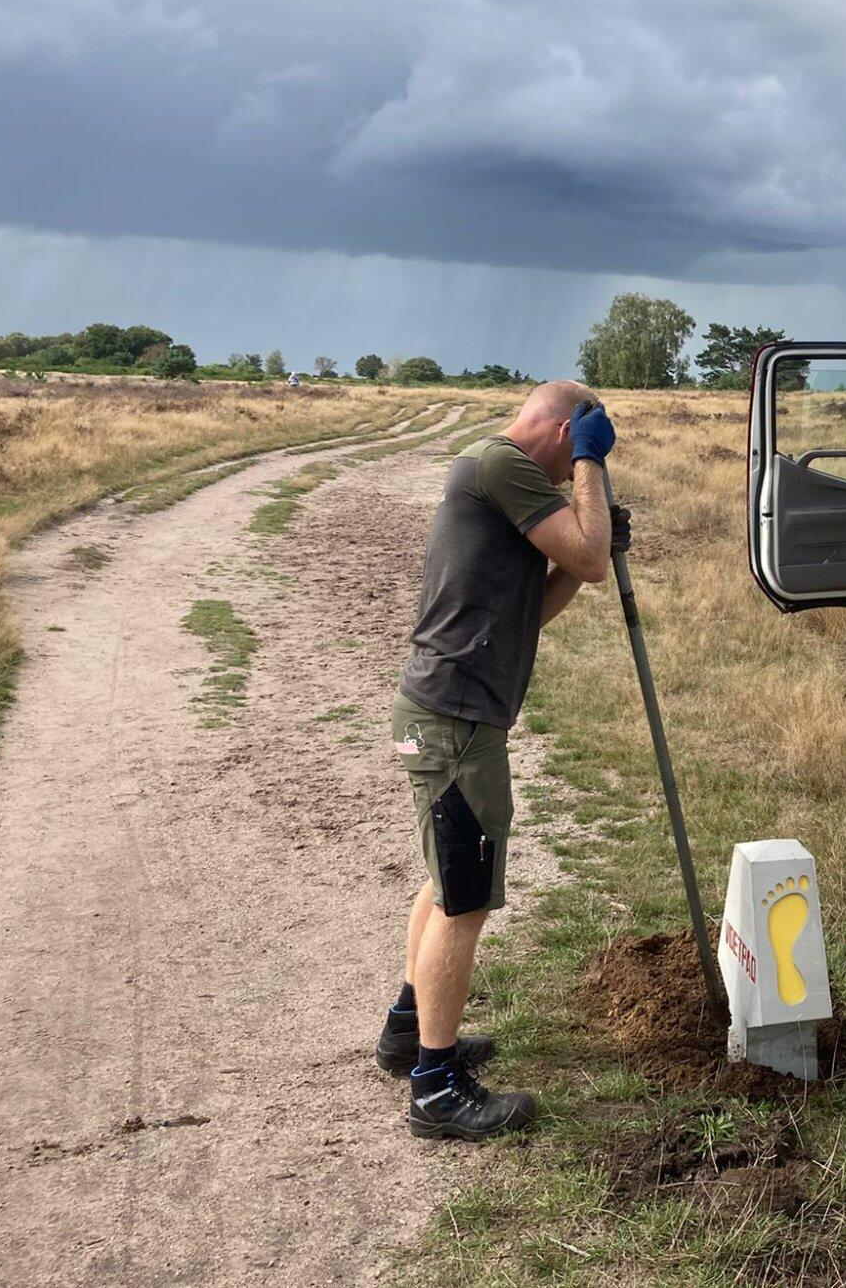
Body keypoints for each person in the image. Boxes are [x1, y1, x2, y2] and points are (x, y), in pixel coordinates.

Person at [373, 379, 625, 1139]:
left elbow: (556, 587)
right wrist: (593, 476)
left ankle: (406, 1032)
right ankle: (437, 1089)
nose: (571, 473)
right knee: (467, 898)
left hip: (450, 710)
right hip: (454, 717)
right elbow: (588, 550)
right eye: (575, 450)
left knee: (447, 880)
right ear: (560, 429)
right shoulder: (504, 464)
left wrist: (594, 545)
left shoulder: (499, 480)